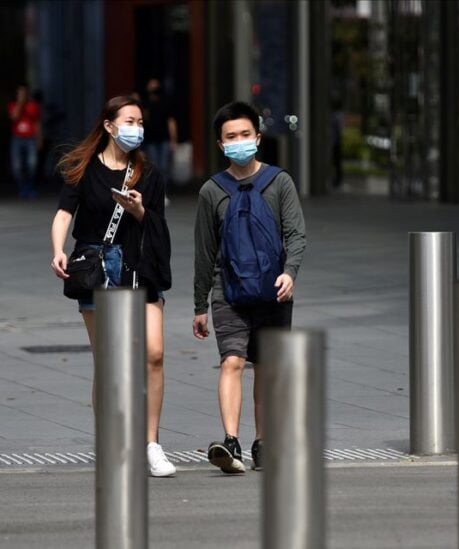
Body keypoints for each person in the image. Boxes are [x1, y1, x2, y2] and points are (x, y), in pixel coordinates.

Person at [49, 95, 176, 477]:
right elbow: (63, 213)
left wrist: (139, 210)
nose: (136, 128)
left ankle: (151, 443)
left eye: (139, 122)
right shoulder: (82, 168)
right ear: (108, 125)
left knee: (153, 354)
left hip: (141, 269)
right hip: (99, 269)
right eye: (129, 121)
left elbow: (157, 223)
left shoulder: (148, 174)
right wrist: (58, 249)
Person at [192, 101, 306, 474]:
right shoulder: (212, 191)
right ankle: (230, 442)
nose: (239, 141)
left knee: (266, 368)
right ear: (221, 145)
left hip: (274, 290)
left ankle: (262, 443)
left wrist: (289, 273)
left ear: (257, 137)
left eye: (245, 134)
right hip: (228, 293)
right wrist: (199, 306)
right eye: (230, 137)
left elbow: (296, 233)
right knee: (232, 361)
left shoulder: (279, 182)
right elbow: (205, 252)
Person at [140, 78, 178, 204]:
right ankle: (155, 193)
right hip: (150, 140)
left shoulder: (165, 103)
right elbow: (142, 121)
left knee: (163, 167)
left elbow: (171, 122)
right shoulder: (145, 103)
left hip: (163, 139)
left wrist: (173, 140)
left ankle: (163, 193)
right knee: (154, 167)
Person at [7, 83, 41, 199]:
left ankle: (30, 188)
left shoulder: (33, 106)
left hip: (30, 138)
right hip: (17, 139)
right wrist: (20, 104)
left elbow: (37, 123)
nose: (22, 95)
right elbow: (14, 117)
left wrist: (39, 138)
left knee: (32, 164)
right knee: (17, 166)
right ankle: (22, 188)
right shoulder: (13, 105)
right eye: (19, 93)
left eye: (24, 93)